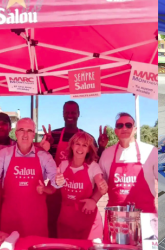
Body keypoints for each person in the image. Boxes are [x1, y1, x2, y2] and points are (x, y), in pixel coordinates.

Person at [0, 118, 59, 237]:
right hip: (11, 218)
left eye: (29, 131)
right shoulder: (5, 154)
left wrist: (58, 180)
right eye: (21, 130)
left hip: (36, 219)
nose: (25, 134)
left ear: (34, 134)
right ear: (16, 133)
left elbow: (54, 177)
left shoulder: (44, 156)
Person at [46, 100, 109, 238]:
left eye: (73, 112)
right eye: (67, 112)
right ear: (62, 114)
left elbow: (94, 162)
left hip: (82, 202)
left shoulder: (88, 137)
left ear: (78, 114)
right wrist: (46, 146)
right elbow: (47, 163)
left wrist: (102, 147)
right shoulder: (54, 136)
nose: (70, 115)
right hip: (57, 196)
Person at [98, 112, 158, 241]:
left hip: (146, 217)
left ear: (135, 129)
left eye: (128, 125)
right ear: (115, 131)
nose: (124, 128)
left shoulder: (151, 151)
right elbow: (101, 185)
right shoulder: (107, 154)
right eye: (120, 125)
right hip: (116, 221)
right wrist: (92, 200)